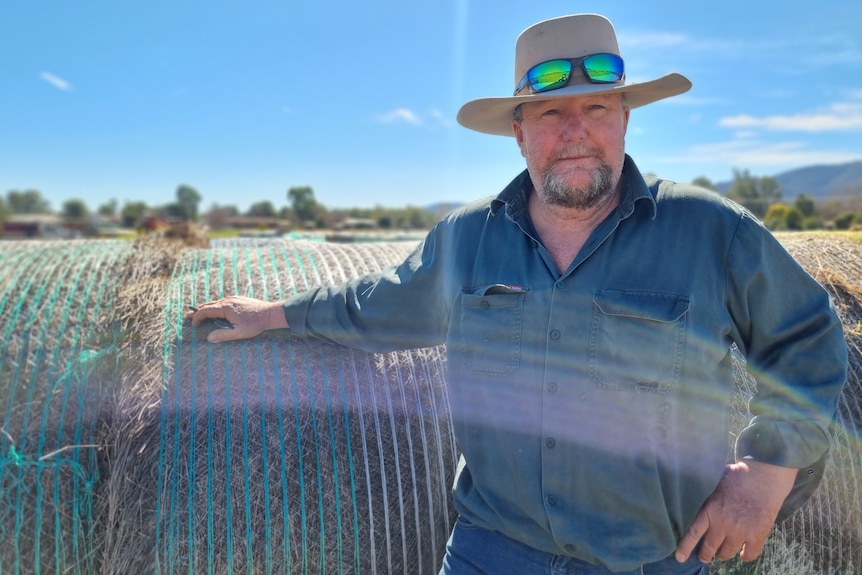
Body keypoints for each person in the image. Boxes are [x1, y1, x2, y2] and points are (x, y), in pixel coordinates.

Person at [190, 13, 848, 575]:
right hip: (489, 549)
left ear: (624, 119)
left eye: (596, 108)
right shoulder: (468, 236)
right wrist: (274, 313)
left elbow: (807, 338)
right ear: (519, 130)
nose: (575, 130)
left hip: (648, 557)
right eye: (551, 112)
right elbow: (381, 304)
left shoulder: (710, 231)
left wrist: (768, 470)